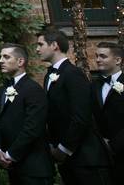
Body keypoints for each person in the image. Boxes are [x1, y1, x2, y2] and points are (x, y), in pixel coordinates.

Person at [36, 28, 111, 185]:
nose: (37, 49)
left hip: (86, 158)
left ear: (54, 45)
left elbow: (81, 116)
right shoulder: (49, 76)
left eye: (40, 44)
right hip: (69, 160)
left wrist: (63, 149)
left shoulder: (73, 74)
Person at [0, 44, 54, 185]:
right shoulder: (4, 89)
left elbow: (33, 127)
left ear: (20, 62)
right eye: (0, 57)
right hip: (14, 168)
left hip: (34, 168)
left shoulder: (33, 89)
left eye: (6, 57)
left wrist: (10, 155)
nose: (0, 60)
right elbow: (0, 122)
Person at [92, 42, 123, 184]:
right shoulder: (94, 85)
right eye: (97, 56)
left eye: (103, 56)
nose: (98, 60)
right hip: (100, 155)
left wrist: (114, 144)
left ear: (118, 60)